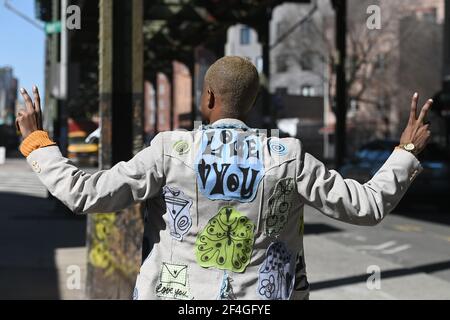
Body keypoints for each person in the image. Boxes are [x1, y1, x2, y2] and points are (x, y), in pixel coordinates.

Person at [16, 56, 432, 300]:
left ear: (208, 98)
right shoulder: (288, 156)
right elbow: (367, 205)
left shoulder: (170, 150)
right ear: (251, 103)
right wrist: (405, 151)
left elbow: (83, 194)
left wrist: (37, 140)